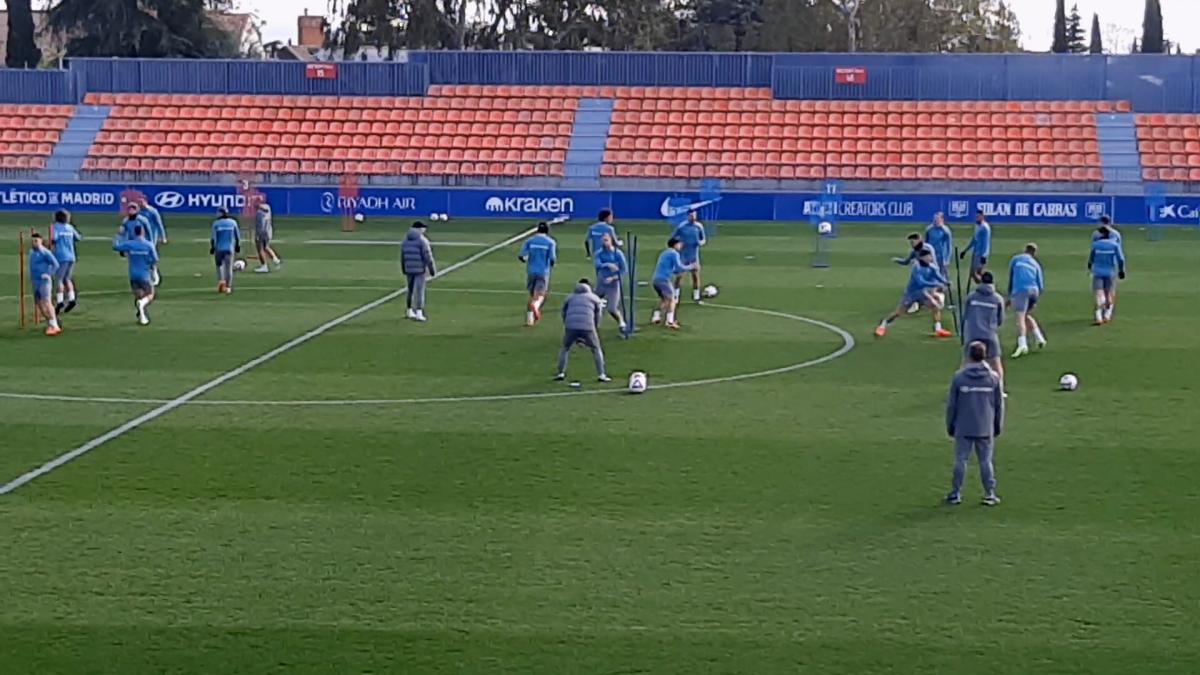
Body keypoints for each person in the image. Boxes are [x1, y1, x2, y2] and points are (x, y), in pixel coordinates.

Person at [945, 341, 1004, 507]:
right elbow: (999, 405)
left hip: (963, 426)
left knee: (961, 460)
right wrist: (997, 425)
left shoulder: (959, 378)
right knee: (986, 461)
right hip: (985, 427)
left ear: (969, 355)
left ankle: (956, 493)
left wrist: (950, 425)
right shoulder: (993, 378)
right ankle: (990, 493)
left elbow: (952, 405)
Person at [874, 248, 953, 338]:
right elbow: (921, 282)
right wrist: (937, 284)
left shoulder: (932, 267)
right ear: (922, 258)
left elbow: (937, 276)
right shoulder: (917, 267)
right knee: (899, 312)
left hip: (922, 293)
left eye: (930, 256)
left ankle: (938, 329)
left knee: (935, 307)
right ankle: (883, 325)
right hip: (911, 294)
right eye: (927, 256)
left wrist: (945, 281)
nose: (930, 258)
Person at [555, 279, 611, 383]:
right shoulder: (594, 298)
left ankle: (560, 373)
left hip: (570, 326)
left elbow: (563, 312)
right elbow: (598, 315)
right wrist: (595, 327)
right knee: (596, 349)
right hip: (588, 326)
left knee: (565, 348)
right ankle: (601, 374)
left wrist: (567, 324)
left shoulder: (569, 297)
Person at [961, 271, 1006, 395]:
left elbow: (965, 315)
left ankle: (963, 386)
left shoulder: (971, 296)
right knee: (996, 362)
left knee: (966, 361)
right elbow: (1000, 319)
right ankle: (1000, 390)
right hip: (990, 334)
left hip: (973, 333)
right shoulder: (997, 298)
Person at [112, 224, 158, 326]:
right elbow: (154, 259)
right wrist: (152, 268)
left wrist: (118, 235)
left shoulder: (130, 244)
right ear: (143, 232)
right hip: (144, 274)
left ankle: (141, 315)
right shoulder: (149, 245)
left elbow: (115, 246)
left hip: (133, 275)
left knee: (139, 295)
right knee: (150, 294)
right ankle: (142, 306)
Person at [1008, 243, 1046, 358]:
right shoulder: (1036, 264)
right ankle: (1040, 338)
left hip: (1021, 290)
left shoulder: (1016, 259)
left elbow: (1011, 276)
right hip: (1034, 291)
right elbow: (1041, 285)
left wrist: (1010, 294)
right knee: (1026, 315)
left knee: (1020, 317)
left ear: (1024, 249)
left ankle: (1022, 344)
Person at [650, 237, 697, 330]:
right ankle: (670, 321)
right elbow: (679, 267)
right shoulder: (673, 253)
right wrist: (691, 266)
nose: (681, 246)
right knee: (672, 299)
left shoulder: (665, 253)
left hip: (656, 279)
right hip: (664, 280)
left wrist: (677, 272)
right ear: (675, 244)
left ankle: (656, 317)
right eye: (680, 244)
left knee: (664, 299)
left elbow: (671, 268)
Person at [518, 221, 557, 326]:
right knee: (540, 295)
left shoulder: (530, 241)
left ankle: (529, 320)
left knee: (531, 295)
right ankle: (536, 306)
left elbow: (521, 256)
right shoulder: (550, 242)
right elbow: (552, 258)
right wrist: (552, 265)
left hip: (531, 271)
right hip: (543, 272)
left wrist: (527, 259)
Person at [1088, 226, 1126, 325]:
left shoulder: (1096, 245)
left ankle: (1098, 317)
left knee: (1098, 293)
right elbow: (1121, 259)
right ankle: (1107, 315)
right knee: (1110, 293)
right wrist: (1121, 270)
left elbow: (1091, 258)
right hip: (1110, 272)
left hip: (1098, 272)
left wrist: (1089, 267)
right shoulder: (1114, 245)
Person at [893, 231, 938, 314]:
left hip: (930, 273)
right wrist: (897, 260)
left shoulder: (927, 248)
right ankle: (916, 303)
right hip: (921, 273)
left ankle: (922, 302)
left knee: (929, 292)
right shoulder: (914, 251)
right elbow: (906, 261)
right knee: (918, 289)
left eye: (912, 241)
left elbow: (933, 262)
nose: (911, 243)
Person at [401, 220, 436, 322]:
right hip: (419, 269)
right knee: (419, 290)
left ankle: (409, 310)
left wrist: (404, 268)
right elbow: (427, 256)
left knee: (410, 290)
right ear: (420, 229)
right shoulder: (422, 240)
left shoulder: (405, 240)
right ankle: (419, 312)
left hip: (409, 268)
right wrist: (432, 269)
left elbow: (402, 257)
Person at [593, 232, 628, 334]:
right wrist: (609, 265)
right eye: (603, 241)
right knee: (593, 305)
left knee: (612, 309)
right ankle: (594, 326)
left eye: (606, 240)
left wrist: (614, 278)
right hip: (601, 283)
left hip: (613, 285)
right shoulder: (599, 253)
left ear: (611, 240)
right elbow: (598, 264)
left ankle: (621, 323)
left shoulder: (618, 254)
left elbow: (623, 270)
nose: (605, 243)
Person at [28, 232, 62, 336]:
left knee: (47, 302)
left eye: (36, 241)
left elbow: (56, 264)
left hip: (44, 282)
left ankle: (55, 325)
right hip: (35, 281)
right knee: (38, 303)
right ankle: (50, 323)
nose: (34, 243)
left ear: (41, 241)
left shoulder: (45, 252)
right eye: (33, 241)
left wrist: (49, 274)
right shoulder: (32, 252)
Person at [49, 209, 81, 315]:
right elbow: (78, 238)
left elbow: (54, 238)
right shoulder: (69, 227)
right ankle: (71, 299)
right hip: (71, 256)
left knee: (59, 279)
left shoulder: (55, 227)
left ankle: (60, 301)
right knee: (67, 278)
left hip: (60, 256)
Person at [672, 210, 707, 302]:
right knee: (679, 276)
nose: (693, 217)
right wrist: (678, 245)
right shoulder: (682, 226)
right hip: (683, 255)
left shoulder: (699, 227)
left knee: (695, 275)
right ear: (688, 216)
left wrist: (700, 243)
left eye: (694, 215)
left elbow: (703, 239)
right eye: (691, 216)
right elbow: (674, 238)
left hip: (693, 255)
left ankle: (696, 297)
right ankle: (676, 296)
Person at [210, 207, 241, 295]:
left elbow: (213, 238)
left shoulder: (216, 224)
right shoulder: (233, 222)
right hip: (230, 248)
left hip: (219, 249)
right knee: (229, 268)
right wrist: (238, 246)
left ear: (221, 213)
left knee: (219, 267)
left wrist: (212, 248)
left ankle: (221, 282)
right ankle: (228, 287)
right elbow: (237, 236)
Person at [960, 209, 991, 282]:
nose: (977, 218)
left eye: (978, 216)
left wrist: (984, 255)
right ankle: (986, 286)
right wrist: (965, 250)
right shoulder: (977, 226)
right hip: (976, 253)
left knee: (974, 273)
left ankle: (986, 287)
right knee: (977, 273)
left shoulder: (985, 228)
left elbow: (986, 242)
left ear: (983, 217)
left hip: (981, 254)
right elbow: (974, 240)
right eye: (976, 216)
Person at [253, 203, 282, 273]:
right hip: (268, 232)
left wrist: (258, 235)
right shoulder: (268, 209)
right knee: (266, 247)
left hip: (262, 233)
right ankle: (276, 260)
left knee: (260, 249)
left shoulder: (259, 213)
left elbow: (261, 225)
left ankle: (264, 266)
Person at [924, 212, 953, 278]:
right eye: (934, 218)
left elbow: (949, 246)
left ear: (942, 220)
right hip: (932, 256)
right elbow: (926, 243)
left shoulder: (945, 231)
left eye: (937, 219)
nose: (935, 220)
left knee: (942, 276)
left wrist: (947, 259)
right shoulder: (929, 229)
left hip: (942, 257)